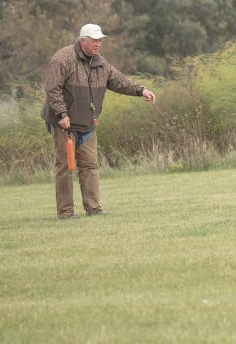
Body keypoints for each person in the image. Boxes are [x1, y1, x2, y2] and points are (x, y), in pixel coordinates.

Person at [42, 24, 156, 219]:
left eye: (100, 40)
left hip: (87, 124)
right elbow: (52, 88)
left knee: (90, 166)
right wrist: (61, 114)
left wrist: (141, 90)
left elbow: (119, 80)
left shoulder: (101, 63)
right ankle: (66, 212)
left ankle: (94, 208)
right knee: (65, 167)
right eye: (94, 40)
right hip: (64, 123)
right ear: (83, 40)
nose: (98, 44)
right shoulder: (63, 58)